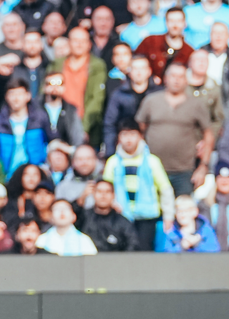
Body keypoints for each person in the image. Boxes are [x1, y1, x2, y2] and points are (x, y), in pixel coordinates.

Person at [136, 63, 213, 195]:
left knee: (184, 210)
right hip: (152, 169)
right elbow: (139, 130)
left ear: (186, 80)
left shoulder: (196, 104)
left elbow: (208, 134)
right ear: (166, 78)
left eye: (181, 76)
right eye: (173, 76)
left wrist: (203, 166)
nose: (176, 80)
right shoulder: (151, 101)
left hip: (184, 171)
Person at [103, 118, 175, 250]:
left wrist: (168, 216)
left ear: (140, 136)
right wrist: (113, 204)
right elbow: (105, 188)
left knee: (144, 250)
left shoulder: (152, 161)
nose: (128, 139)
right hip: (121, 215)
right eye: (124, 134)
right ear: (119, 137)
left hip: (147, 217)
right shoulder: (112, 162)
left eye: (132, 134)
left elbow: (165, 189)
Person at [79, 180, 141, 251]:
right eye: (99, 191)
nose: (103, 195)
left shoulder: (123, 222)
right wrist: (81, 199)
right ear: (93, 194)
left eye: (107, 192)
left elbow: (133, 244)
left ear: (113, 195)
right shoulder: (84, 217)